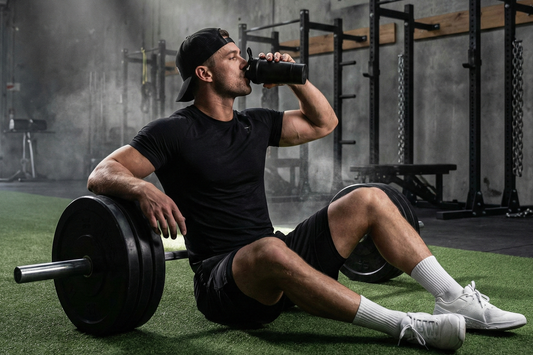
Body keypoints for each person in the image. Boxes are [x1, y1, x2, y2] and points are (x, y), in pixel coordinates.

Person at [87, 28, 526, 350]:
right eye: (233, 55)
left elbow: (324, 122)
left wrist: (295, 78)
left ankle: (451, 298)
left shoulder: (254, 123)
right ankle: (403, 325)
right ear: (204, 72)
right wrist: (144, 190)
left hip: (277, 255)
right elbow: (104, 172)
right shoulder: (172, 131)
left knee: (368, 197)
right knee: (269, 250)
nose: (245, 62)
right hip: (224, 282)